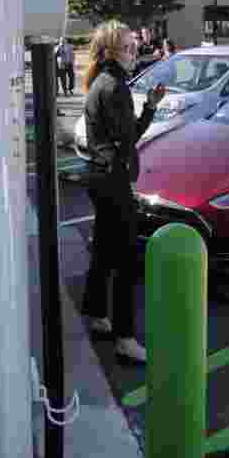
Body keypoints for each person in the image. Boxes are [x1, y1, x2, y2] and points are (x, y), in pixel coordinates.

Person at [79, 20, 166, 364]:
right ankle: (125, 337)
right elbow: (129, 139)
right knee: (127, 259)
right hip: (113, 181)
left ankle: (97, 313)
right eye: (128, 47)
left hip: (100, 178)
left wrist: (150, 107)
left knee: (103, 250)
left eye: (135, 46)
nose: (134, 52)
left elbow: (125, 134)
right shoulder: (114, 86)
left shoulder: (103, 82)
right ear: (109, 51)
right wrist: (127, 176)